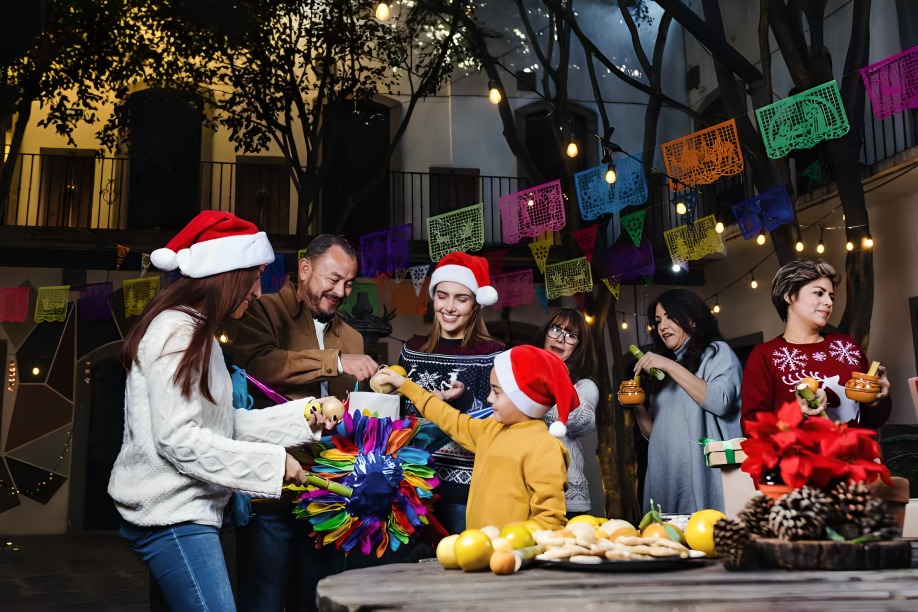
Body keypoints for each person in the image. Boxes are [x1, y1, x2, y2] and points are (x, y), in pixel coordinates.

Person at [107, 211, 330, 611]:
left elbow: (222, 424)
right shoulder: (177, 332)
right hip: (172, 516)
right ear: (226, 275)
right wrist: (272, 464)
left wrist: (304, 415)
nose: (258, 290)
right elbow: (179, 440)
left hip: (182, 512)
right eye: (254, 277)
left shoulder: (197, 333)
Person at [231, 234, 377, 612]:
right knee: (262, 601)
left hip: (330, 494)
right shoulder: (260, 310)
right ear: (305, 268)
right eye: (333, 279)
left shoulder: (354, 335)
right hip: (272, 491)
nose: (341, 290)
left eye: (348, 283)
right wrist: (336, 362)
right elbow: (261, 363)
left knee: (316, 601)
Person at [375, 345, 578, 529]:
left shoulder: (544, 447)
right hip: (480, 554)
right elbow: (448, 418)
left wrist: (515, 548)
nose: (489, 399)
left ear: (524, 399)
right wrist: (404, 384)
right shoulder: (490, 429)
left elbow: (550, 521)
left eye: (497, 393)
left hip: (515, 561)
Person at [397, 251, 504, 534]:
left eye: (462, 298)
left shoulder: (493, 354)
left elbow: (499, 423)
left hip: (463, 490)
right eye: (442, 296)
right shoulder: (411, 349)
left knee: (461, 570)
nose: (450, 307)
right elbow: (396, 413)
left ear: (476, 305)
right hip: (409, 485)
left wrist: (465, 399)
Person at [629, 288, 743, 515]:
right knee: (665, 545)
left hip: (702, 476)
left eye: (670, 317)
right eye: (658, 320)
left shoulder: (716, 352)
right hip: (665, 478)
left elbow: (721, 402)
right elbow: (655, 434)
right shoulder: (663, 370)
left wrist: (669, 365)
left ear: (692, 318)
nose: (662, 326)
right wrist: (636, 404)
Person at [741, 259, 891, 431]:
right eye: (819, 293)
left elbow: (873, 421)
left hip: (853, 456)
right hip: (800, 457)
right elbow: (750, 426)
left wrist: (878, 399)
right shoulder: (764, 355)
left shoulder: (847, 347)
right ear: (789, 296)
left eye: (831, 296)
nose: (829, 302)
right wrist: (796, 413)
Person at [535, 308, 599, 519]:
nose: (561, 339)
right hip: (526, 489)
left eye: (571, 335)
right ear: (545, 333)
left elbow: (582, 422)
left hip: (568, 499)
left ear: (578, 346)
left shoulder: (583, 386)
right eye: (556, 329)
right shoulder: (522, 374)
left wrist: (538, 396)